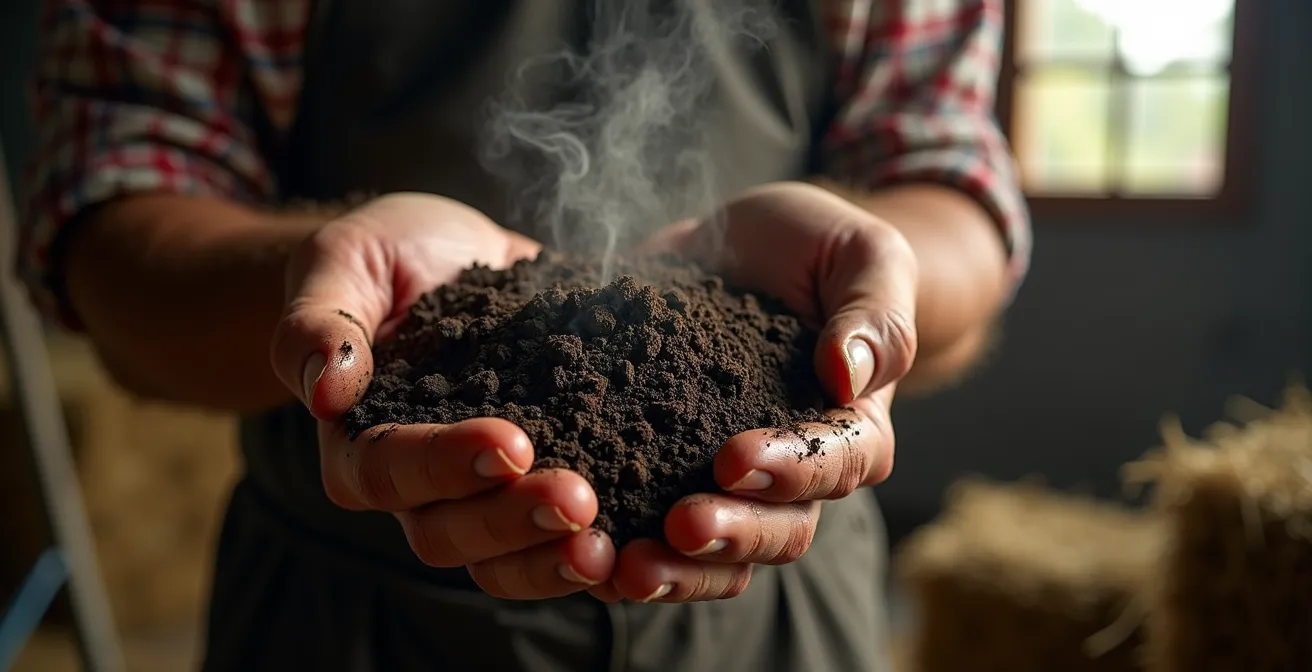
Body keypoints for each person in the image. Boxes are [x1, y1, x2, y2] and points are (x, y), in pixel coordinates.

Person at [18, 0, 1030, 669]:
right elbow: (112, 228)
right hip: (353, 615)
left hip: (778, 606)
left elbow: (946, 179)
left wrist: (864, 281)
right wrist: (324, 281)